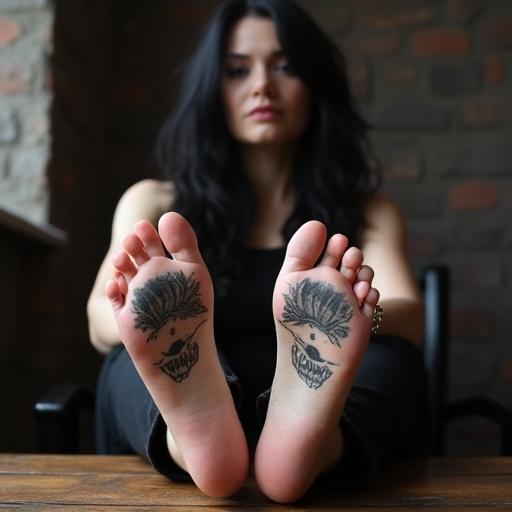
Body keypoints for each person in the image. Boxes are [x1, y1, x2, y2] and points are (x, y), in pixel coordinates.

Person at [87, 0, 426, 503]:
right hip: (195, 392)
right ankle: (191, 439)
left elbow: (411, 318)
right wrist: (159, 320)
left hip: (326, 403)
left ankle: (313, 444)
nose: (263, 85)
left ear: (315, 84)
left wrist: (355, 315)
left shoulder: (369, 210)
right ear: (212, 90)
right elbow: (99, 318)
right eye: (237, 70)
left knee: (391, 356)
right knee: (125, 358)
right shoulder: (155, 202)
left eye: (285, 66)